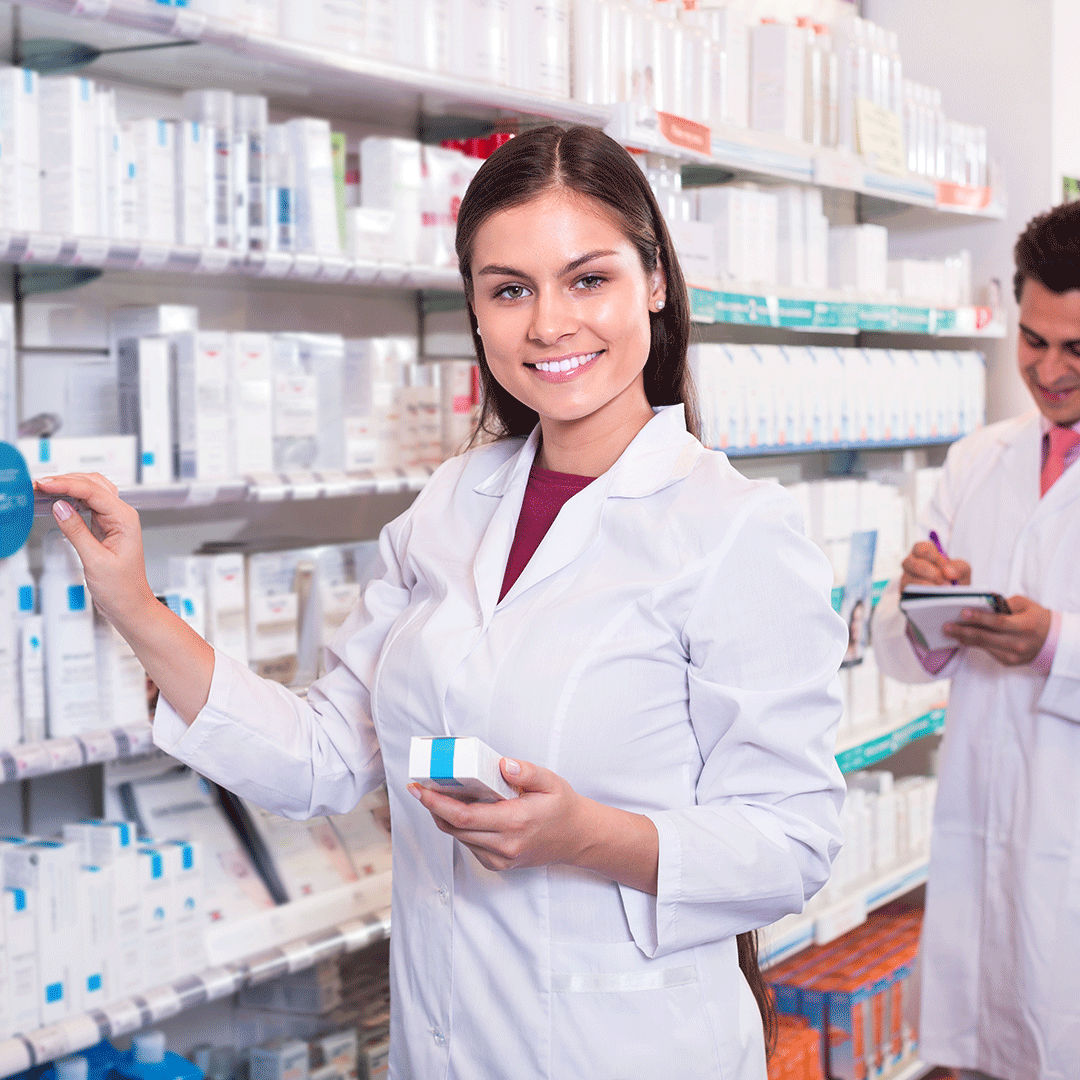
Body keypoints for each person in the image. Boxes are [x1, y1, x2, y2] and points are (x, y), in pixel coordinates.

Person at [37, 125, 847, 1079]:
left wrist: (588, 837)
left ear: (656, 282)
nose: (549, 324)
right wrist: (133, 603)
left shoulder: (734, 529)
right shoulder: (453, 503)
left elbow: (793, 842)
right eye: (510, 289)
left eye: (588, 279)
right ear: (474, 309)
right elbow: (324, 758)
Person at [871, 200, 1080, 1080]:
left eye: (1077, 349)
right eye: (1033, 340)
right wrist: (923, 605)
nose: (1049, 370)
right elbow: (898, 648)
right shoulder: (977, 459)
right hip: (980, 824)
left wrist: (1053, 643)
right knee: (990, 1044)